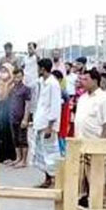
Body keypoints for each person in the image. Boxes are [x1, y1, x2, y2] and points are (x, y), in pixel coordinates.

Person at [74, 69, 106, 206]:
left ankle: (104, 202)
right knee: (81, 174)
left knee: (99, 175)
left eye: (86, 79)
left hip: (96, 141)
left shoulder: (105, 98)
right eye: (82, 79)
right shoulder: (82, 98)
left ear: (95, 80)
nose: (82, 82)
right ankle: (82, 198)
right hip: (81, 141)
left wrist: (101, 144)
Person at [32, 58, 62, 189]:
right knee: (42, 153)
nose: (37, 70)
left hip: (48, 125)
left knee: (51, 154)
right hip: (40, 122)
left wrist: (50, 126)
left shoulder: (53, 84)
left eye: (38, 68)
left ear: (43, 69)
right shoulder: (42, 82)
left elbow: (55, 106)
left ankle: (56, 179)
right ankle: (47, 179)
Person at [0, 63, 16, 164]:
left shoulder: (13, 84)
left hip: (9, 110)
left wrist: (7, 86)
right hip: (0, 109)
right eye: (2, 70)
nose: (3, 73)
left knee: (8, 133)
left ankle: (9, 155)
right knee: (0, 131)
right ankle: (0, 155)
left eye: (6, 70)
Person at [8, 68, 31, 168]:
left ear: (22, 76)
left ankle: (24, 160)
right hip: (13, 116)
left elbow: (27, 104)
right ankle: (18, 158)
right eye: (15, 77)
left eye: (19, 76)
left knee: (23, 139)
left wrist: (25, 118)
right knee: (15, 138)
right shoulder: (13, 88)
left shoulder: (26, 89)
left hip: (21, 117)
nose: (17, 79)